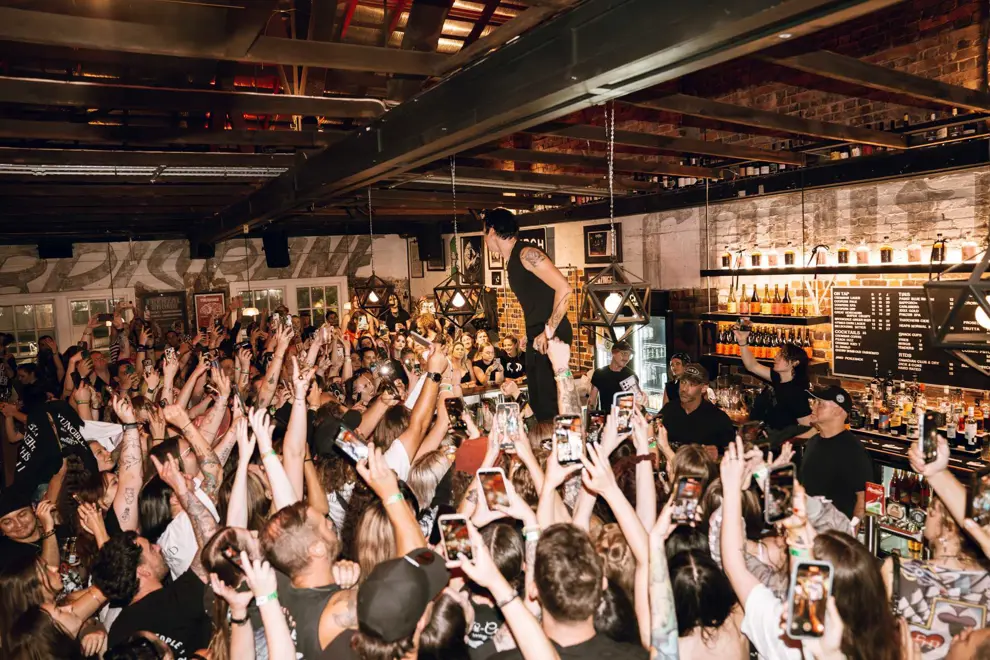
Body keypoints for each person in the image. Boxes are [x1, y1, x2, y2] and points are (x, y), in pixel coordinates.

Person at [484, 208, 573, 421]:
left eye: (484, 233)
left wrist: (548, 331)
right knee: (538, 402)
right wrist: (531, 333)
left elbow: (565, 289)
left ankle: (554, 447)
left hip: (552, 332)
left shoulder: (526, 254)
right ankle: (543, 448)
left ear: (492, 231)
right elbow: (538, 301)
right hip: (538, 332)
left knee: (548, 405)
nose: (484, 239)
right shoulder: (514, 260)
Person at [800, 386, 873, 521]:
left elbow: (864, 498)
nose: (813, 407)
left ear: (838, 411)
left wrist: (851, 531)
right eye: (814, 402)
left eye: (820, 403)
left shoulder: (852, 450)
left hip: (835, 533)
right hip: (810, 527)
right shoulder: (812, 442)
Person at [732, 328, 812, 431]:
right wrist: (742, 342)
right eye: (777, 354)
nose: (775, 358)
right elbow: (752, 366)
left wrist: (783, 441)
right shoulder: (777, 378)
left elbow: (808, 430)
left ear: (795, 363)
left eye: (782, 356)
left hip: (778, 444)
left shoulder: (796, 393)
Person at [660, 364, 734, 452]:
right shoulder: (669, 410)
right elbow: (651, 439)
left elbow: (732, 453)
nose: (684, 389)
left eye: (691, 384)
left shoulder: (718, 419)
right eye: (683, 382)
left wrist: (718, 454)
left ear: (703, 388)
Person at [589, 340, 638, 414]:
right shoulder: (599, 374)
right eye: (624, 353)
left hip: (624, 420)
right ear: (613, 353)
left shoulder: (631, 376)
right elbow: (592, 401)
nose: (626, 358)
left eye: (629, 355)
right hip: (605, 419)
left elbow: (636, 401)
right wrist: (590, 419)